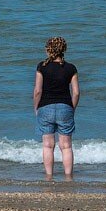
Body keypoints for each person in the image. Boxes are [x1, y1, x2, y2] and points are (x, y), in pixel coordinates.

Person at [33, 36, 80, 180]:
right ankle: (68, 177)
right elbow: (76, 92)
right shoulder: (70, 68)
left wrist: (36, 107)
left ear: (48, 50)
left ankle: (49, 176)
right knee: (66, 146)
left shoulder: (42, 66)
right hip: (65, 106)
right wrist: (72, 107)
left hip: (45, 106)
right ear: (63, 50)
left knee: (48, 145)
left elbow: (37, 91)